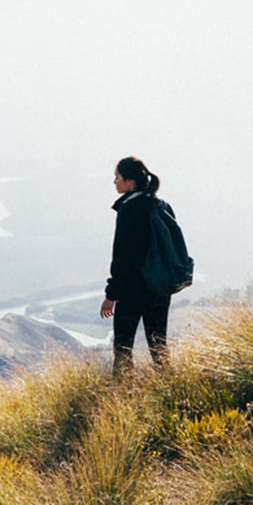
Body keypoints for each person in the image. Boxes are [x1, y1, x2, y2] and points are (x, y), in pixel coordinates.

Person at [99, 156, 171, 372]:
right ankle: (173, 389)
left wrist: (111, 295)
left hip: (133, 290)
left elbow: (123, 257)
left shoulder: (129, 210)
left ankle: (121, 395)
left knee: (123, 348)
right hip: (159, 288)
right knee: (159, 347)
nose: (114, 182)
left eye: (117, 177)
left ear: (130, 182)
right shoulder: (161, 205)